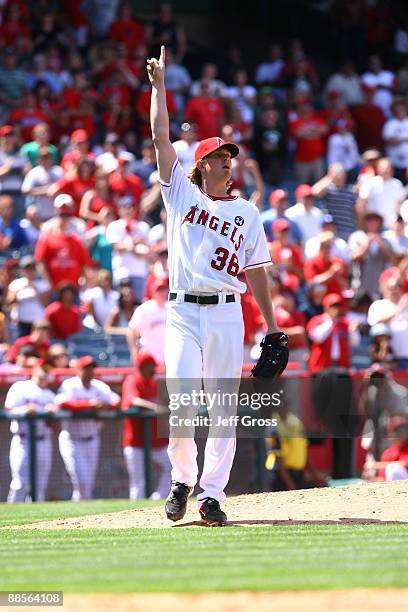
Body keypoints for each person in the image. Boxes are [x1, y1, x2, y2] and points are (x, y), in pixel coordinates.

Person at [147, 46, 284, 526]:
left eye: (231, 156)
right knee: (184, 402)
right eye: (221, 157)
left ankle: (212, 495)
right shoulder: (180, 192)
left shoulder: (247, 211)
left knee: (223, 408)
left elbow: (258, 270)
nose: (229, 162)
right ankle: (182, 481)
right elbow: (162, 138)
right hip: (183, 311)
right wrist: (159, 89)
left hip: (228, 310)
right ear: (202, 164)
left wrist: (272, 325)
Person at [55, 355, 120, 500]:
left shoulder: (99, 386)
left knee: (87, 484)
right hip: (72, 440)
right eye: (86, 368)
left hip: (92, 439)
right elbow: (61, 403)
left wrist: (105, 406)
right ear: (78, 370)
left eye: (91, 368)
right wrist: (89, 404)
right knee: (81, 481)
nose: (89, 371)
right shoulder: (70, 384)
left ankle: (78, 515)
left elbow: (116, 401)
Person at [5, 362, 56, 502]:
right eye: (43, 368)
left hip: (43, 440)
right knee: (19, 484)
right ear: (35, 369)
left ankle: (35, 522)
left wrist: (51, 415)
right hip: (22, 440)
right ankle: (10, 520)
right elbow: (8, 410)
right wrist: (25, 410)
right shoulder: (21, 387)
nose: (45, 372)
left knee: (39, 487)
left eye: (48, 369)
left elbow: (55, 426)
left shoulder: (50, 395)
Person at [122, 353, 171, 499]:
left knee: (173, 466)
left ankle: (158, 498)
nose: (154, 370)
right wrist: (154, 407)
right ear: (143, 367)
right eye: (151, 367)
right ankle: (134, 517)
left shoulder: (152, 383)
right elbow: (133, 400)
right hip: (136, 442)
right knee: (138, 484)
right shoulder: (132, 380)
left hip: (155, 442)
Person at [6, 255, 50, 337]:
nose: (30, 271)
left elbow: (45, 303)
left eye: (32, 268)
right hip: (21, 321)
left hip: (38, 322)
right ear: (22, 270)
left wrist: (35, 289)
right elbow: (9, 302)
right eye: (27, 269)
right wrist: (19, 291)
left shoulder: (43, 285)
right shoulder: (16, 284)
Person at [127, 280, 168, 366]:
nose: (162, 292)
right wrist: (134, 352)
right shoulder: (145, 309)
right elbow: (132, 331)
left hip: (167, 357)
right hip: (149, 356)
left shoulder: (172, 308)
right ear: (153, 291)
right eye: (159, 290)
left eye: (164, 289)